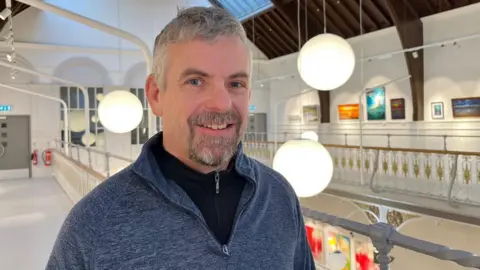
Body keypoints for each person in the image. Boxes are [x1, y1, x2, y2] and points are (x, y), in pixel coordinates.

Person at [46, 6, 315, 270]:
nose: (221, 104)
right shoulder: (95, 223)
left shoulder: (278, 196)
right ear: (155, 94)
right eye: (196, 81)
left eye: (236, 84)